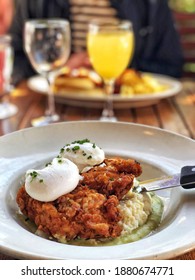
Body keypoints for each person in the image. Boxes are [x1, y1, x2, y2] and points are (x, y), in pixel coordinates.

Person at [8, 0, 184, 85]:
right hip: (56, 105)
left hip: (136, 114)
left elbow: (171, 65)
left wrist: (120, 68)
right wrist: (61, 69)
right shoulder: (34, 3)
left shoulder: (151, 4)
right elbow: (16, 60)